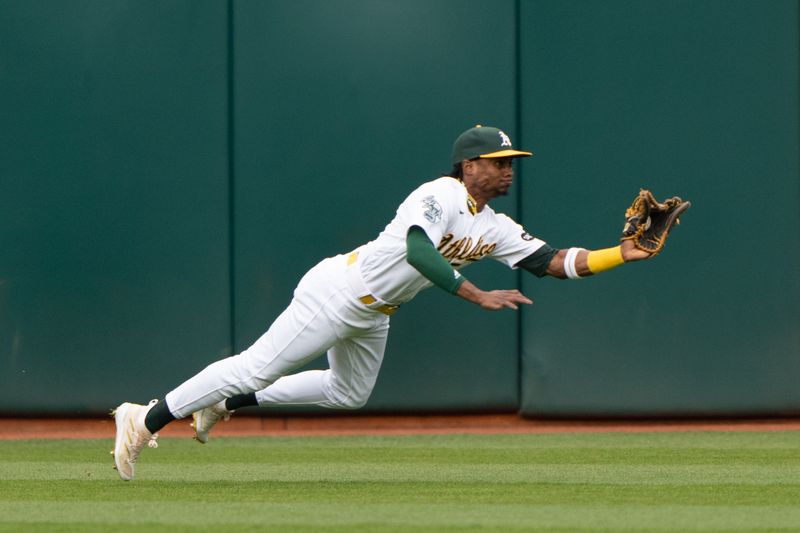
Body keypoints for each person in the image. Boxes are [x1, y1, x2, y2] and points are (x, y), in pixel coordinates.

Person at [111, 124, 652, 480]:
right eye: (497, 160)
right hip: (340, 292)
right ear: (468, 165)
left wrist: (619, 255)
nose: (508, 168)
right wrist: (474, 293)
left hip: (375, 313)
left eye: (511, 160)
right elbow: (420, 249)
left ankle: (225, 404)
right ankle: (146, 417)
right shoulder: (437, 194)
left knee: (348, 393)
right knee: (255, 365)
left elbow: (553, 262)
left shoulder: (496, 226)